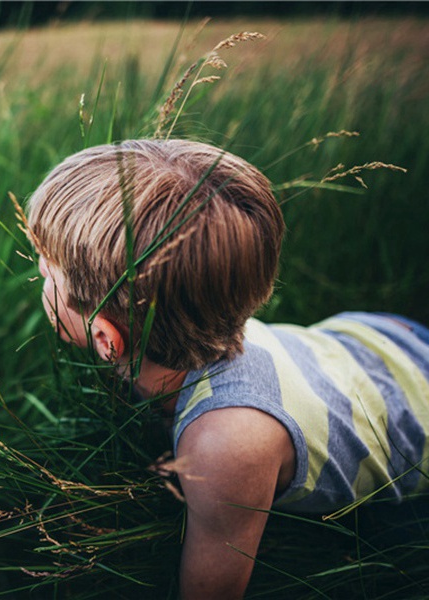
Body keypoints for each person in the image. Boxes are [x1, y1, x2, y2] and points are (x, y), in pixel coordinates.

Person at [25, 139, 429, 599]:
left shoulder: (226, 445)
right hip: (379, 342)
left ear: (106, 340)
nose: (39, 269)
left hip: (418, 416)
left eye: (47, 273)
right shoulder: (203, 318)